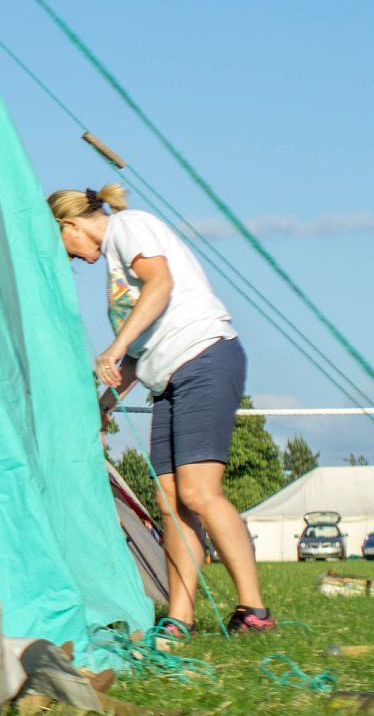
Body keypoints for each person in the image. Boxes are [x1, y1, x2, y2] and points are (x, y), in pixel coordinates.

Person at [48, 183, 274, 640]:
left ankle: (254, 610)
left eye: (64, 248)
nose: (71, 260)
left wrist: (114, 346)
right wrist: (104, 406)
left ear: (71, 225)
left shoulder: (130, 227)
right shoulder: (114, 261)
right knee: (169, 503)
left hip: (203, 357)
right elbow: (140, 349)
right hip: (167, 375)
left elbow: (161, 282)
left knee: (198, 494)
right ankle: (179, 619)